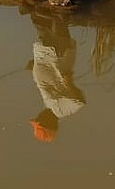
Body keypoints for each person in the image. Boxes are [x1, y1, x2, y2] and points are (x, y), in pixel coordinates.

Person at [27, 11, 85, 142]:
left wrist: (34, 67)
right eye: (39, 119)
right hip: (56, 54)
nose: (38, 115)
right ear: (46, 122)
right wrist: (68, 83)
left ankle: (50, 1)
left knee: (41, 17)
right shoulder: (61, 110)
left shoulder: (52, 106)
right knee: (57, 19)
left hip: (47, 54)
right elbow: (80, 102)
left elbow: (47, 84)